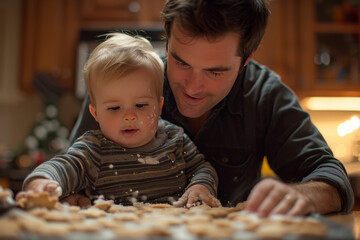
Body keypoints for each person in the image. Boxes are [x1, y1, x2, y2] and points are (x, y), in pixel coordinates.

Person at [67, 0, 354, 217]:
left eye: (215, 72)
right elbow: (73, 173)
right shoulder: (124, 85)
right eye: (181, 62)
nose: (192, 88)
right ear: (167, 44)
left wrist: (300, 196)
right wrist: (71, 195)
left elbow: (331, 177)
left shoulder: (265, 95)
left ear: (246, 59)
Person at [16, 33, 220, 208]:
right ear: (95, 114)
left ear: (158, 107)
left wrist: (200, 185)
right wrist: (41, 182)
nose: (129, 116)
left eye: (140, 105)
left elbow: (202, 168)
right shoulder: (93, 150)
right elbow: (63, 166)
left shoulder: (176, 139)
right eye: (114, 108)